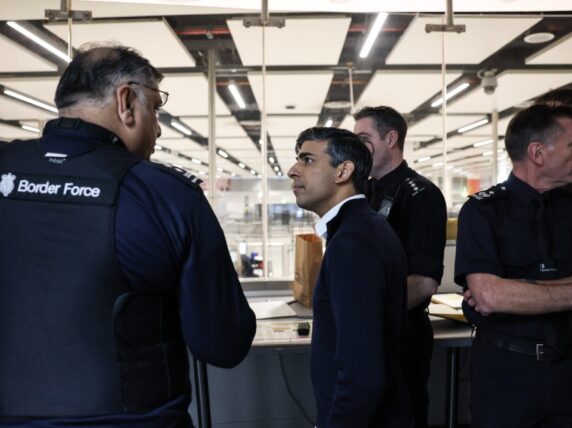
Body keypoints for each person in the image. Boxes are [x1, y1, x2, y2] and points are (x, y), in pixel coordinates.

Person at [0, 44, 256, 427]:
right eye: (155, 108)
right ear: (126, 102)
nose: (158, 126)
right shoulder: (165, 194)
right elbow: (223, 343)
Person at [454, 103, 572, 427]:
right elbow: (491, 297)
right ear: (537, 152)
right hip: (506, 376)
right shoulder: (483, 211)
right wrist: (498, 293)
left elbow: (496, 295)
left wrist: (514, 290)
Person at [288, 127, 412, 427]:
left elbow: (362, 374)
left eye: (307, 160)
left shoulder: (354, 243)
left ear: (343, 170)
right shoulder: (361, 228)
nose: (293, 170)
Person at [353, 106, 447, 427]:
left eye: (364, 139)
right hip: (368, 332)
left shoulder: (422, 195)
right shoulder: (364, 192)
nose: (357, 147)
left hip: (401, 336)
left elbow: (423, 282)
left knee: (400, 415)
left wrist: (365, 313)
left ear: (391, 139)